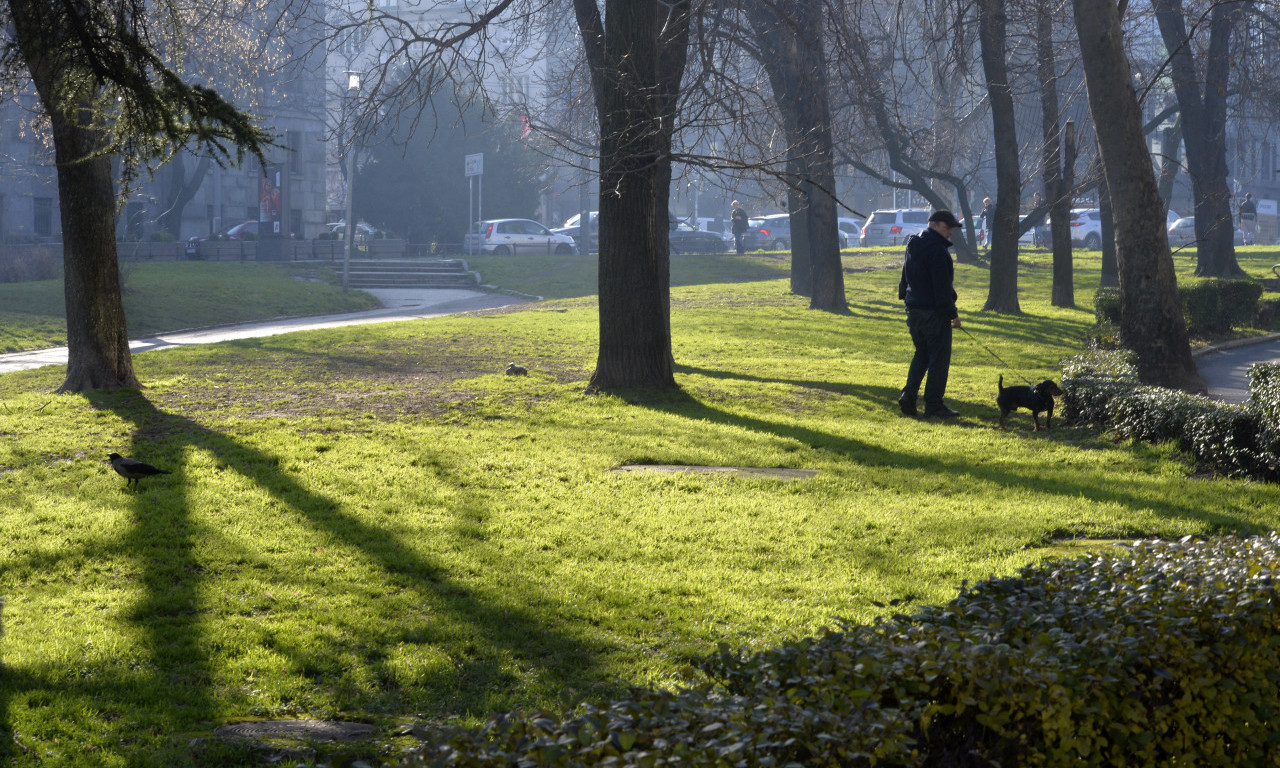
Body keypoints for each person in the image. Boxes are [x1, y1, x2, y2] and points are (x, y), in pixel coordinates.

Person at [897, 210, 962, 418]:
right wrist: (953, 314)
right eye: (946, 227)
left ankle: (908, 395)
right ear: (933, 225)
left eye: (952, 228)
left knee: (922, 354)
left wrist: (904, 295)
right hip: (934, 313)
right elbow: (941, 287)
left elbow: (905, 274)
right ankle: (933, 405)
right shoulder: (938, 251)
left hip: (914, 309)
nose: (950, 231)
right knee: (939, 359)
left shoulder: (913, 244)